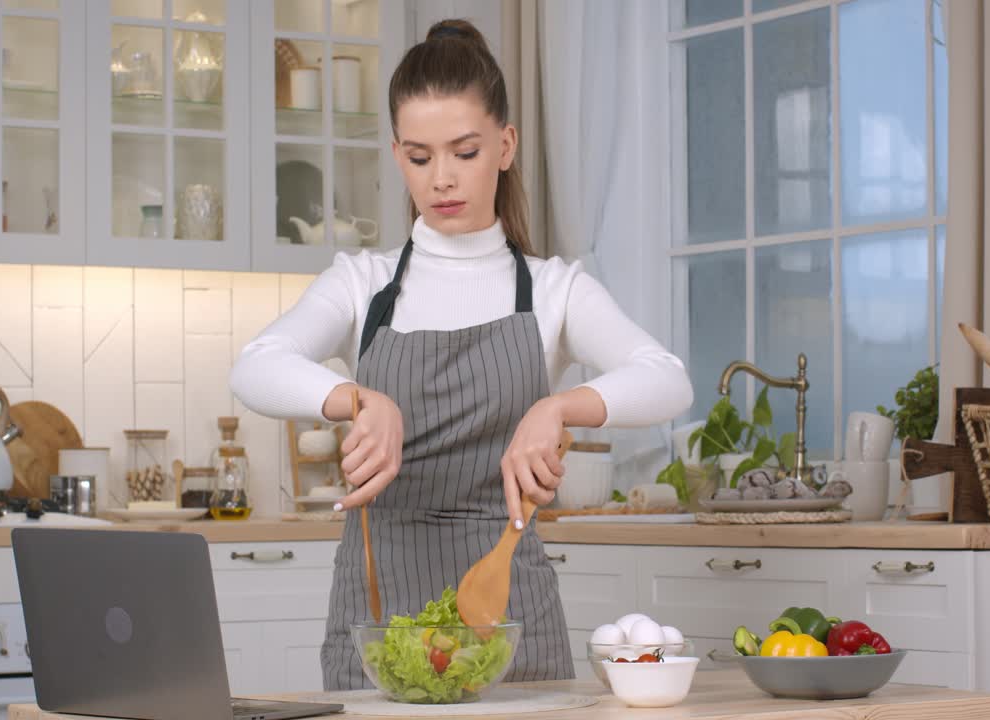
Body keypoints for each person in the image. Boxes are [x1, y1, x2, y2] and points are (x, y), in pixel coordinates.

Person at [230, 18, 693, 691]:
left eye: (464, 151)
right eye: (420, 157)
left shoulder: (554, 290)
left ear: (505, 145)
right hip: (380, 615)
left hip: (511, 621)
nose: (442, 178)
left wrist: (559, 406)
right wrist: (357, 398)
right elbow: (255, 364)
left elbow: (667, 381)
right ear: (397, 156)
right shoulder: (363, 283)